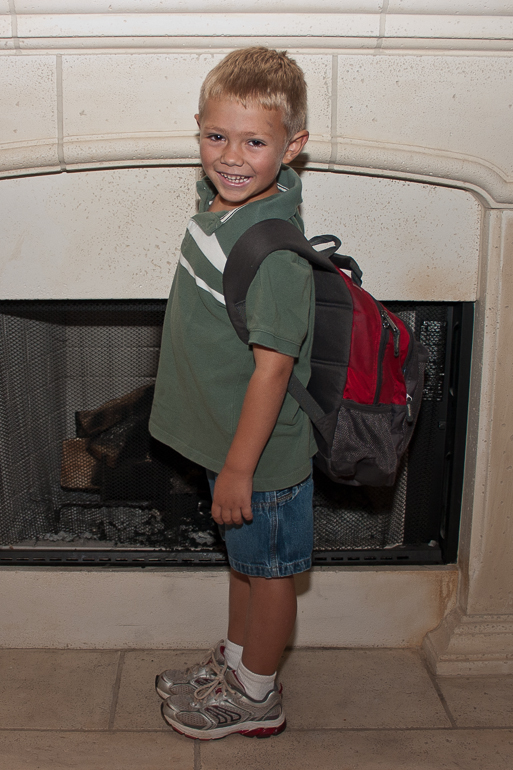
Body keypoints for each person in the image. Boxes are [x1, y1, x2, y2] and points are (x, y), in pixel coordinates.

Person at [149, 46, 315, 741]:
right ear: (197, 132)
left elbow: (273, 371)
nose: (231, 156)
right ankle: (238, 661)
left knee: (271, 573)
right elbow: (227, 180)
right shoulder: (224, 203)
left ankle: (257, 695)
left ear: (292, 147)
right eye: (216, 137)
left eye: (255, 141)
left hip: (261, 456)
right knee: (245, 567)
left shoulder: (272, 253)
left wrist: (242, 468)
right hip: (229, 440)